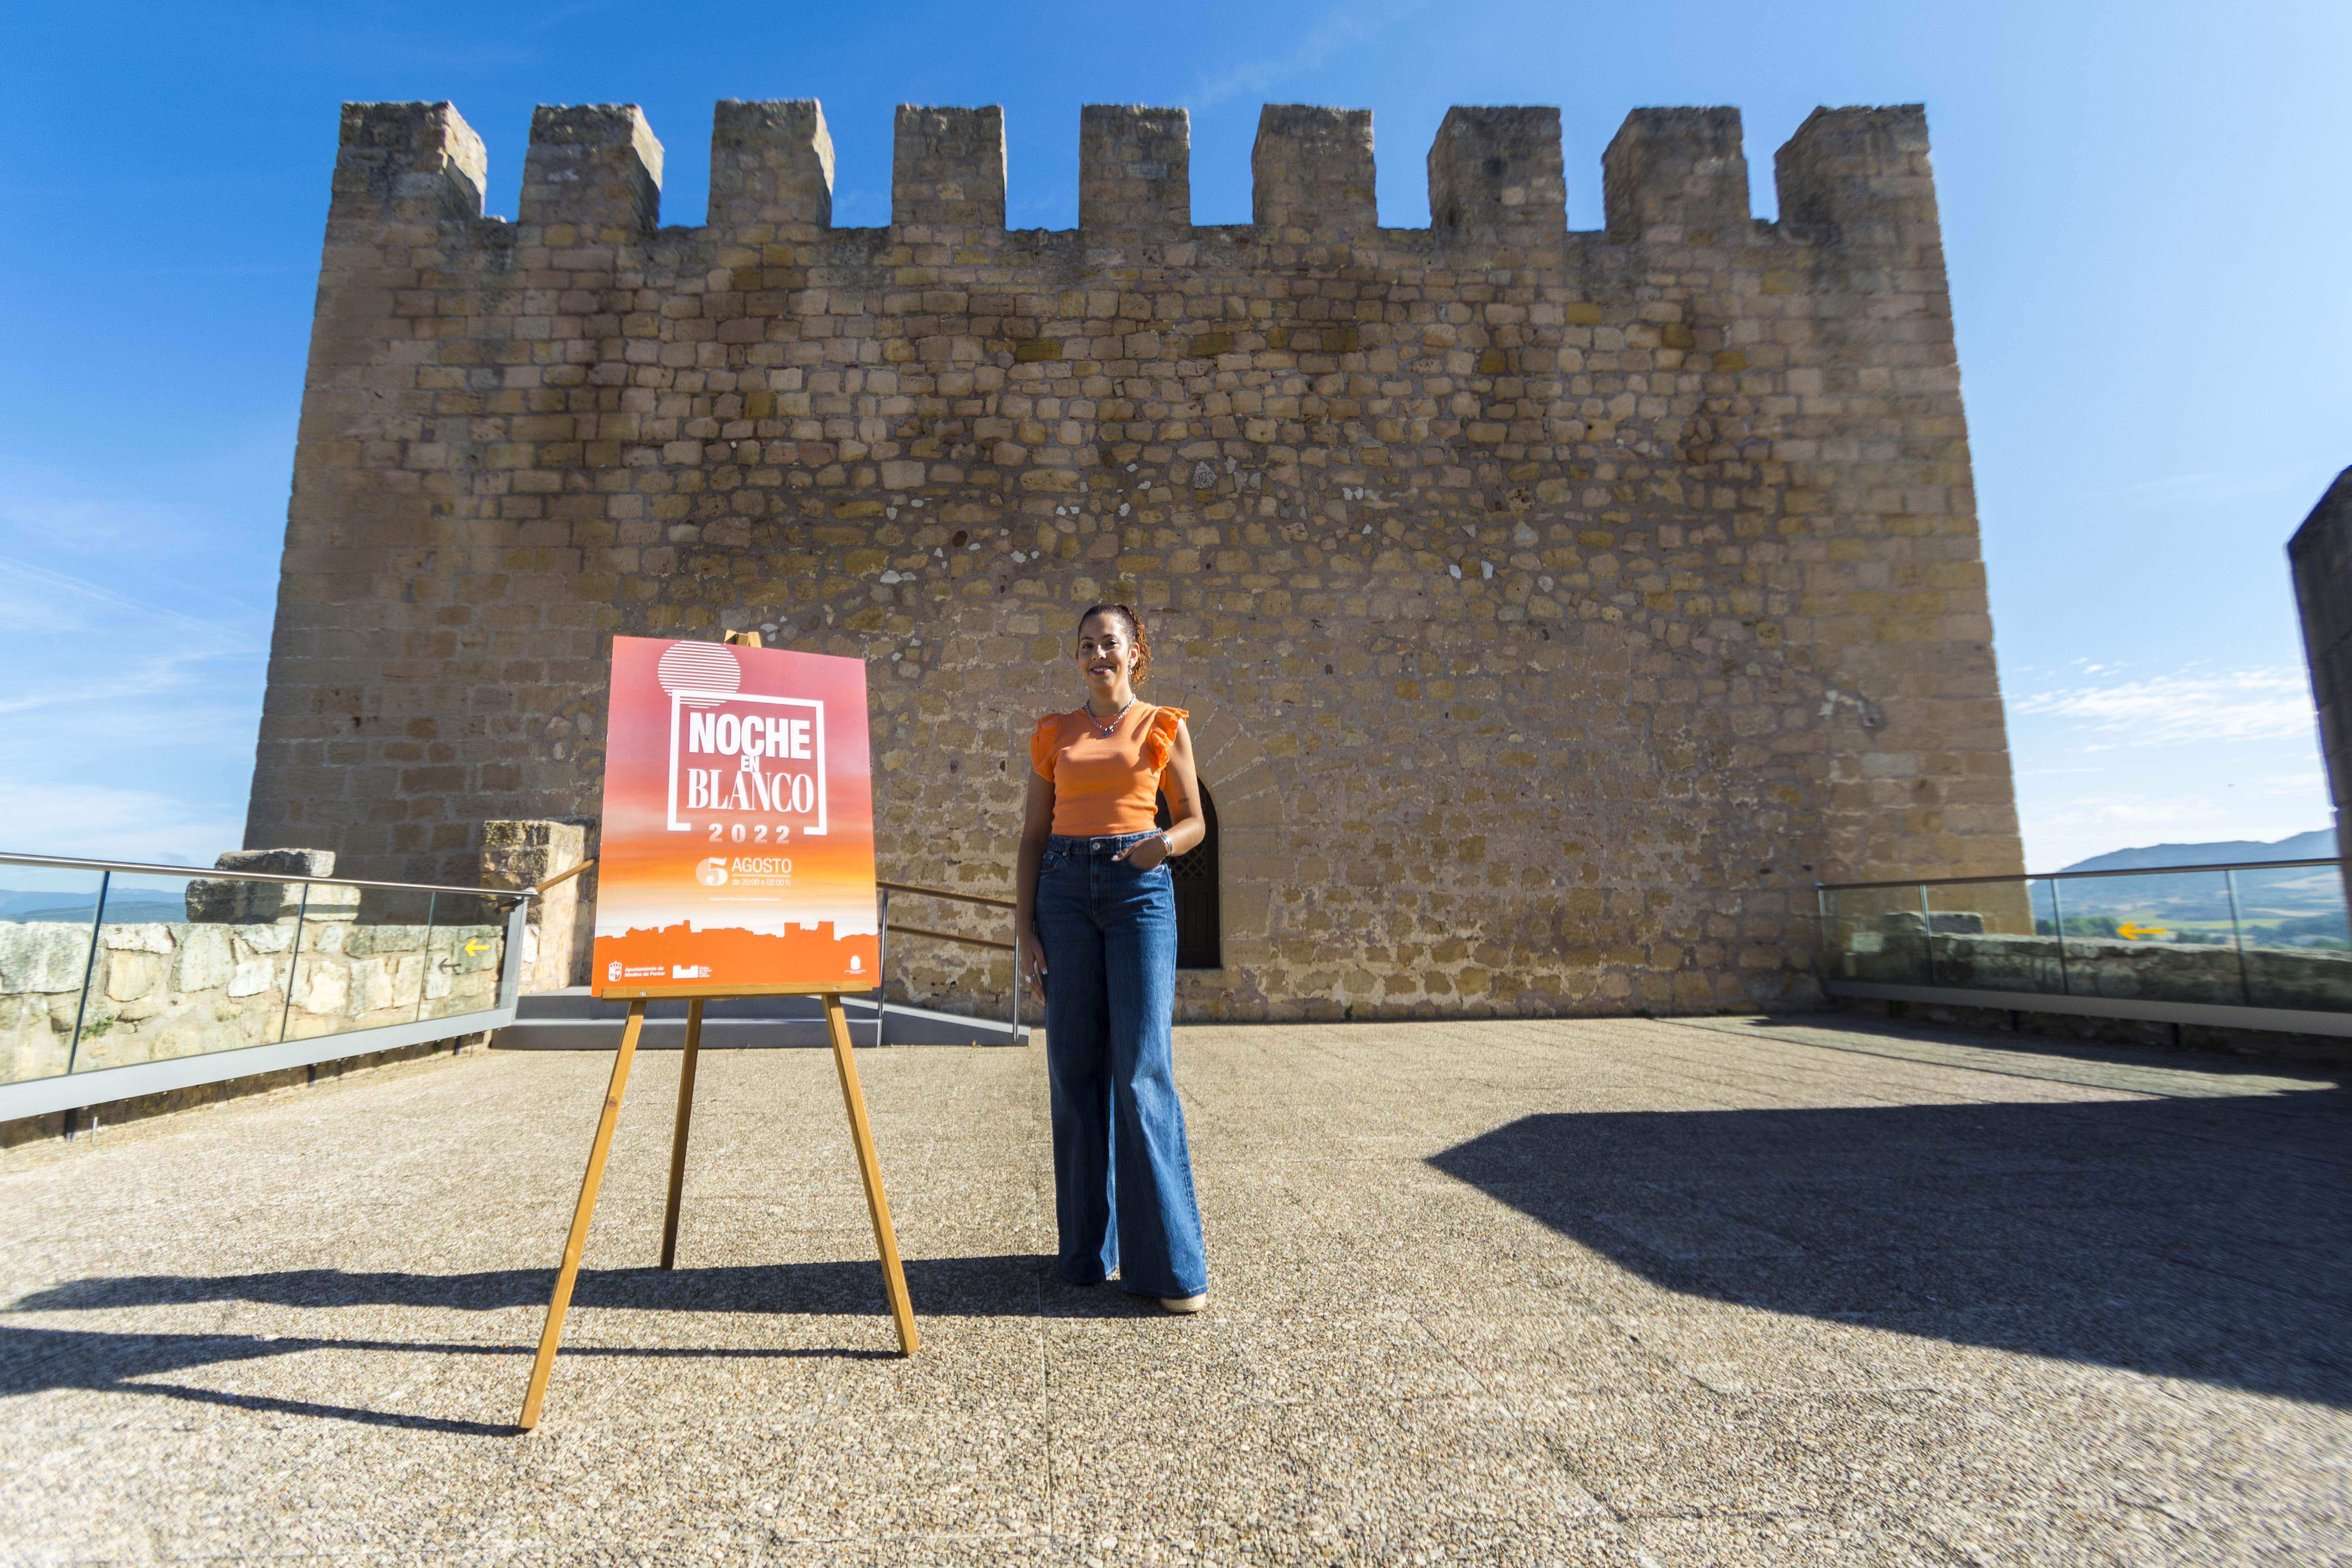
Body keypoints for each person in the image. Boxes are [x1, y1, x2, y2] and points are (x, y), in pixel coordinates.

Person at [1015, 603, 1210, 1313]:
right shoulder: (1055, 734)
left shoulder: (1164, 724)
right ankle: (1086, 1253)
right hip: (1062, 896)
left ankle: (1169, 1267)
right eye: (1087, 645)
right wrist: (1024, 930)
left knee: (1140, 1072)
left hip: (1138, 890)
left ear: (1136, 654)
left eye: (1111, 644)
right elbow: (1033, 837)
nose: (1098, 654)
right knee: (1073, 1070)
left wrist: (1165, 843)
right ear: (1078, 658)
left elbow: (1194, 818)